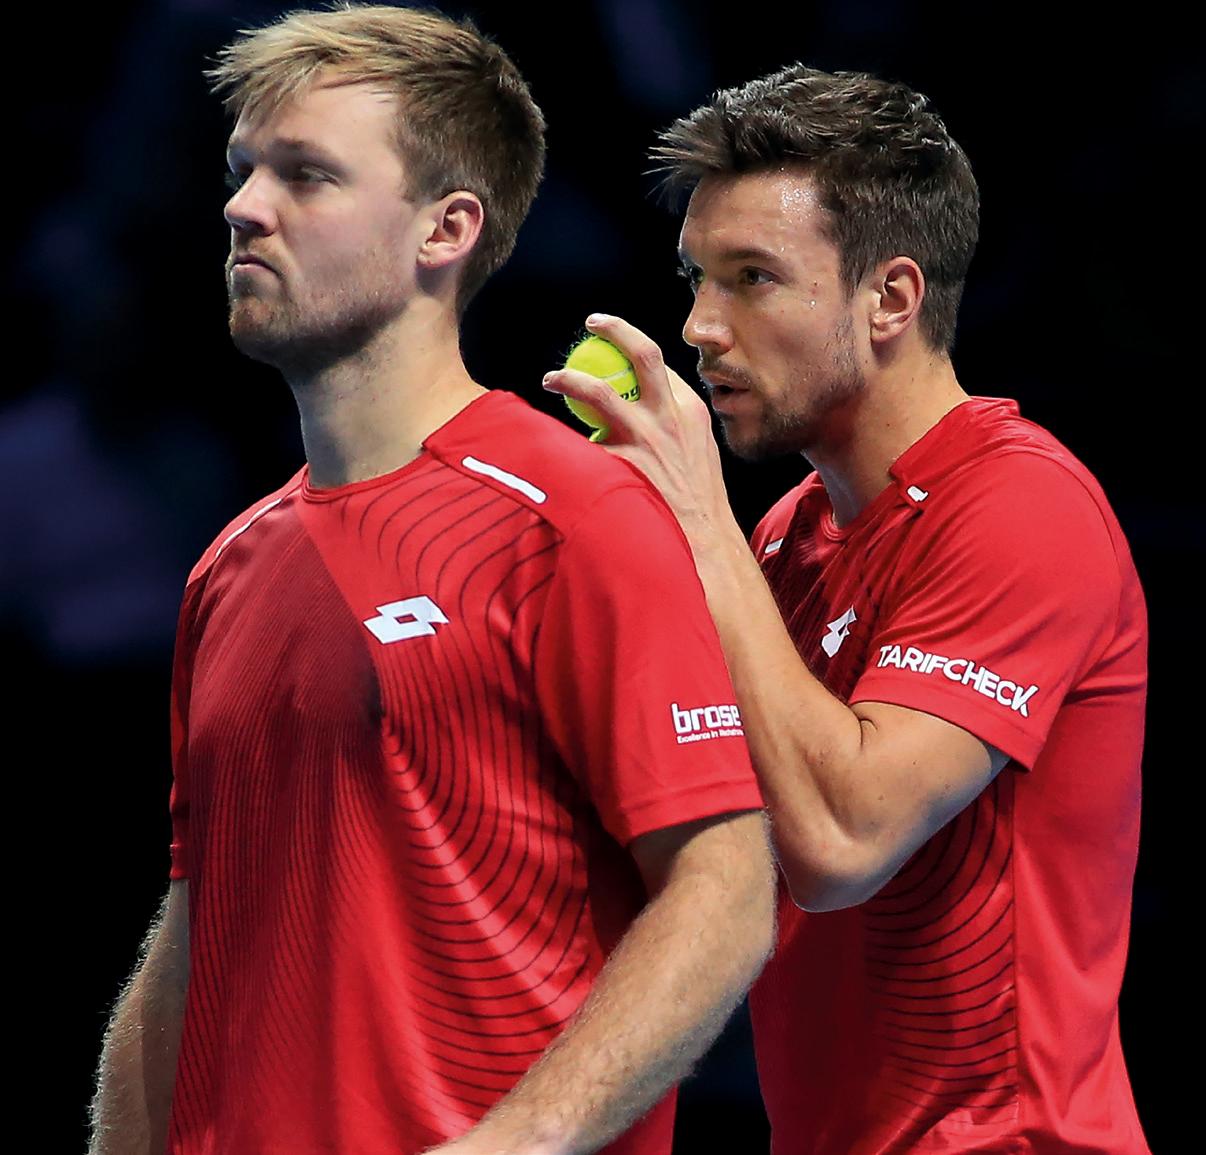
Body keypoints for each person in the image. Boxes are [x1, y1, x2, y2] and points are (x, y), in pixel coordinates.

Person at [86, 7, 776, 1155]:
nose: (245, 207)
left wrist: (516, 1142)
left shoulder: (573, 515)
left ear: (445, 229)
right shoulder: (228, 567)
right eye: (243, 171)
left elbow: (725, 890)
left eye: (306, 174)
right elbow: (197, 931)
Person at [546, 64, 1150, 1154]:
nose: (699, 326)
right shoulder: (784, 538)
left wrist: (697, 518)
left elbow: (841, 839)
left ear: (891, 299)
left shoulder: (1024, 505)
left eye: (753, 279)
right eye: (696, 278)